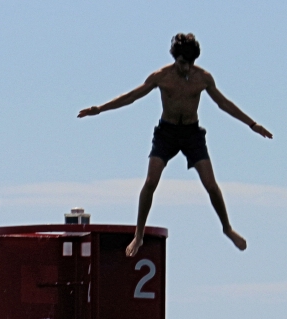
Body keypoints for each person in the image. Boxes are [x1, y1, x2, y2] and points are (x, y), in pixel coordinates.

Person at [79, 33, 272, 256]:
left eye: (191, 64)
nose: (187, 68)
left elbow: (223, 104)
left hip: (191, 133)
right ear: (175, 59)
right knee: (151, 181)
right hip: (167, 133)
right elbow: (131, 96)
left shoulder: (203, 78)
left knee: (210, 184)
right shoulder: (162, 77)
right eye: (183, 63)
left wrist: (252, 124)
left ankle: (227, 228)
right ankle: (139, 235)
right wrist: (100, 109)